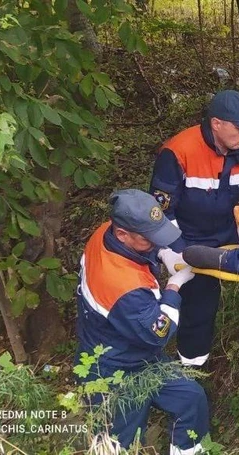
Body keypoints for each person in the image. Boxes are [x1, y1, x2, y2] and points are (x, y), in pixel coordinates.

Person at [148, 90, 239, 366]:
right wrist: (177, 252)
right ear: (216, 123)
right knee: (199, 304)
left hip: (229, 227)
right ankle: (194, 368)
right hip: (189, 236)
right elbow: (160, 214)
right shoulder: (178, 152)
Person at [74, 189, 208, 454]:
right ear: (123, 234)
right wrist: (173, 287)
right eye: (150, 239)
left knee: (192, 400)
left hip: (141, 355)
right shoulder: (123, 287)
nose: (155, 242)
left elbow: (141, 250)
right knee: (120, 441)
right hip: (113, 367)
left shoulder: (107, 232)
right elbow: (160, 331)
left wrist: (161, 254)